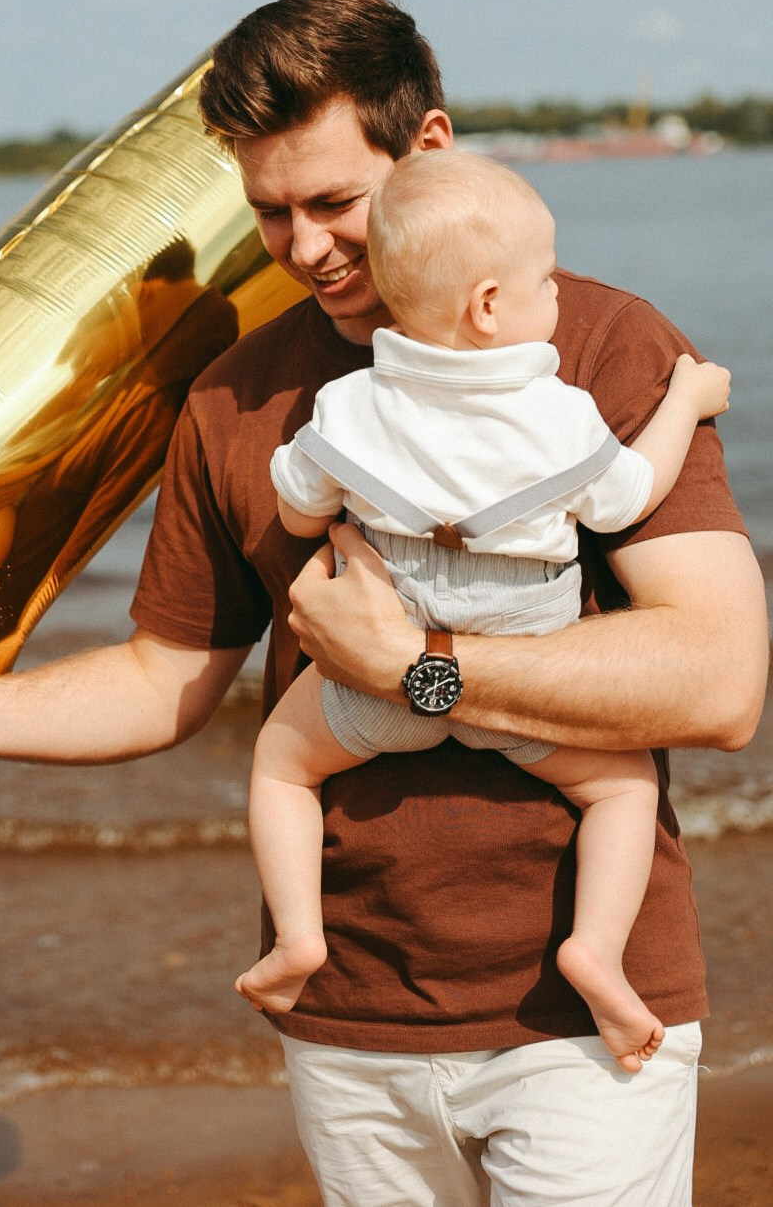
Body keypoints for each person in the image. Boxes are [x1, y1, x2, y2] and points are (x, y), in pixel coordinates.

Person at [0, 0, 767, 1207]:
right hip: (346, 1025)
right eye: (269, 211)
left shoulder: (606, 348)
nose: (303, 250)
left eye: (335, 203)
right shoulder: (233, 396)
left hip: (586, 1033)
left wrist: (415, 667)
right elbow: (162, 678)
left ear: (429, 146)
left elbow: (721, 684)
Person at [234, 150, 730, 1080]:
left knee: (281, 766)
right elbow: (629, 496)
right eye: (546, 281)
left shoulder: (346, 405)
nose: (559, 296)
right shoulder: (561, 414)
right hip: (523, 668)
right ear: (490, 305)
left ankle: (299, 936)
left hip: (377, 678)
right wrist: (684, 400)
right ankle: (595, 950)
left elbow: (298, 511)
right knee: (621, 790)